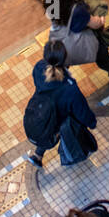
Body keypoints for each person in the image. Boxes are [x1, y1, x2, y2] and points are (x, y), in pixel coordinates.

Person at [27, 40, 97, 168]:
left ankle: (38, 155)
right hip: (51, 131)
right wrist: (92, 123)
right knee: (69, 122)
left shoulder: (38, 68)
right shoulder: (69, 88)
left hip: (35, 120)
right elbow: (83, 112)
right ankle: (69, 154)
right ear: (65, 60)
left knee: (50, 123)